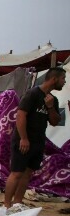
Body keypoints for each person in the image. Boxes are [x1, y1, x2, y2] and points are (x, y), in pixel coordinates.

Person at [4, 67, 67, 208]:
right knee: (17, 173)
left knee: (27, 173)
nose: (64, 82)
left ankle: (17, 203)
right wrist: (23, 138)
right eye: (63, 78)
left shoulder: (53, 100)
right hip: (23, 140)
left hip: (38, 142)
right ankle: (6, 205)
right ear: (54, 79)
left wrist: (50, 107)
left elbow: (55, 121)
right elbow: (20, 116)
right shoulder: (32, 94)